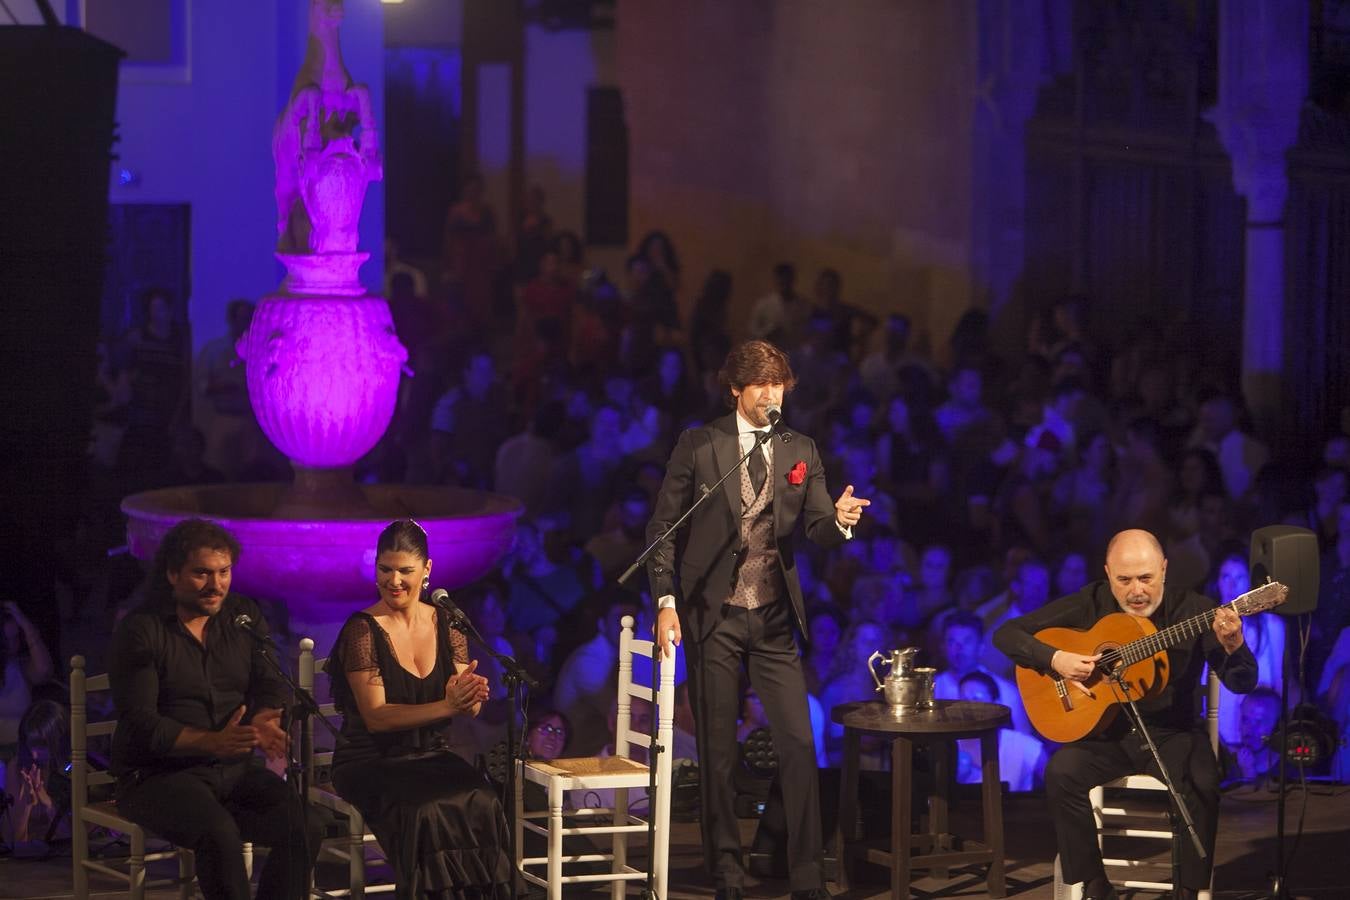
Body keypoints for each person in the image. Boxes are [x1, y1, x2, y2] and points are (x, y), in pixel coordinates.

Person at [647, 339, 869, 900]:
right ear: (736, 390)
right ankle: (727, 875)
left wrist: (838, 520)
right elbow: (663, 530)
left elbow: (816, 524)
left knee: (798, 742)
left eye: (780, 385)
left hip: (771, 615)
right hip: (712, 613)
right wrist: (667, 602)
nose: (773, 395)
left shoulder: (801, 449)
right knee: (718, 751)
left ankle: (807, 879)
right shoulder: (700, 445)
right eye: (761, 386)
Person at [993, 529, 1258, 900]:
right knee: (1061, 772)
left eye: (1146, 578)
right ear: (1107, 574)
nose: (1137, 591)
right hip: (1108, 737)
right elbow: (1006, 634)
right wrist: (1057, 660)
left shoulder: (1195, 611)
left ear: (1164, 570)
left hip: (1173, 734)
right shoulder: (1092, 601)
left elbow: (1242, 682)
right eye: (1124, 580)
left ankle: (1187, 892)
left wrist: (1235, 646)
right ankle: (1096, 887)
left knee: (1203, 779)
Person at [108, 518, 321, 900]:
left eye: (224, 572)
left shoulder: (241, 616)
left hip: (232, 772)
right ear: (173, 574)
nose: (216, 585)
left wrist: (264, 720)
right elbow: (142, 724)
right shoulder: (142, 630)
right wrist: (212, 743)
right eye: (202, 573)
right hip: (158, 776)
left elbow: (270, 681)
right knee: (219, 834)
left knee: (304, 823)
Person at [325, 519, 513, 899]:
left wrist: (469, 696)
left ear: (426, 570)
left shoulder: (449, 623)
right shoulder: (362, 629)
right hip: (370, 760)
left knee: (483, 800)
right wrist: (446, 704)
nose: (394, 581)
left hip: (430, 754)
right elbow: (377, 718)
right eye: (385, 569)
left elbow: (465, 707)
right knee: (425, 810)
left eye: (405, 571)